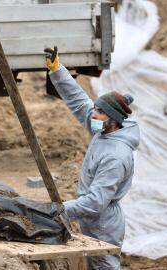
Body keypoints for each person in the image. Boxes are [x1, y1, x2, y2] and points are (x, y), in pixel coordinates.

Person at [44, 46, 140, 269]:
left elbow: (96, 202)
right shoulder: (104, 128)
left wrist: (60, 210)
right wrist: (58, 70)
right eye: (95, 109)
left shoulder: (115, 156)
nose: (93, 115)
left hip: (103, 223)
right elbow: (78, 100)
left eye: (99, 112)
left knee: (104, 265)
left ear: (114, 119)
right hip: (92, 218)